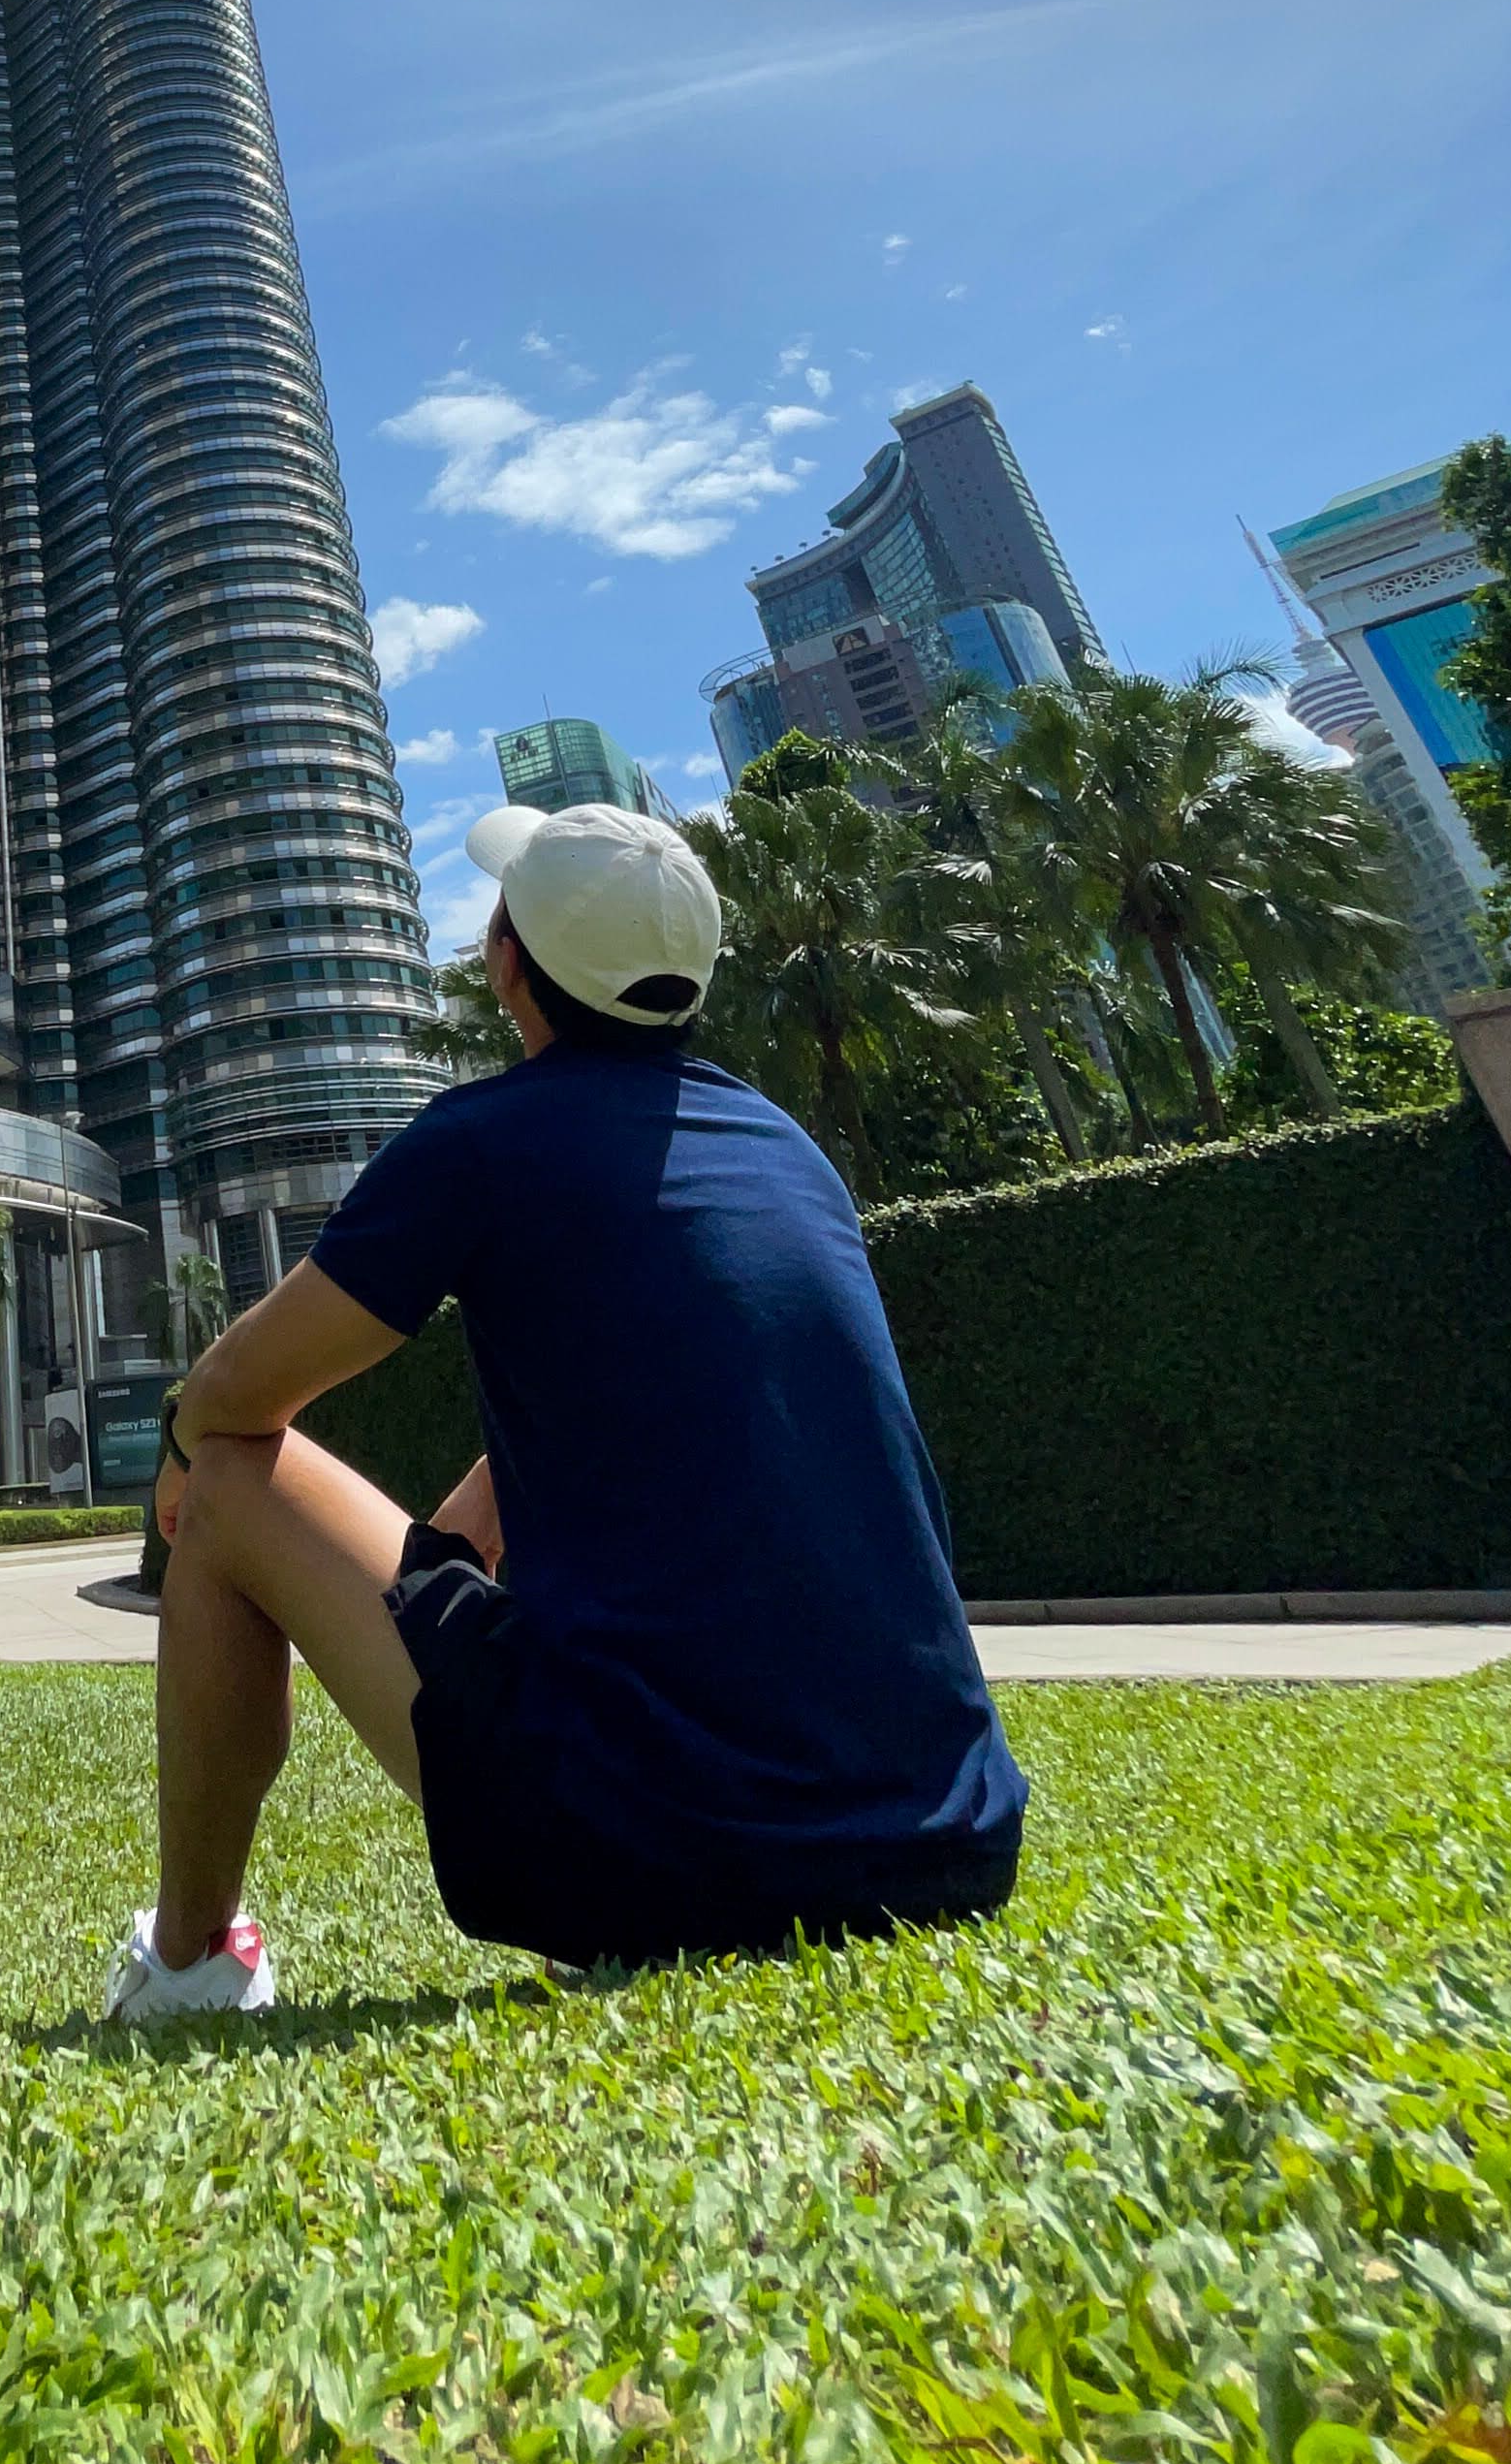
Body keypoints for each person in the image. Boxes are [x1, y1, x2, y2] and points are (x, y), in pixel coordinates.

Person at [105, 800, 1025, 2022]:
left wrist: (179, 1452)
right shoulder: (789, 1152)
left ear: (507, 964)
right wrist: (438, 1562)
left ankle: (187, 1963)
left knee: (229, 1475)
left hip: (663, 1858)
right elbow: (668, 1407)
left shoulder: (485, 1141)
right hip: (948, 1843)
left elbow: (236, 1394)